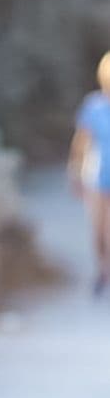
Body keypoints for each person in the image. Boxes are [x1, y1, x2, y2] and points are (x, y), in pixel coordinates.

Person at [68, 51, 110, 295]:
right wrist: (73, 171)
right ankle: (101, 269)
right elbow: (81, 141)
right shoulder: (93, 106)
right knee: (98, 230)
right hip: (96, 176)